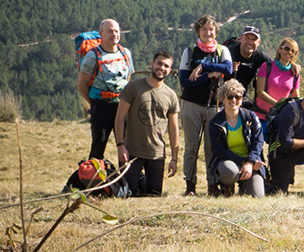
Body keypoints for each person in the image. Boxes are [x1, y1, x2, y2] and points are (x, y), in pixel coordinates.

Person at [179, 15, 233, 196]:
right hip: (191, 104)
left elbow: (228, 69)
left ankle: (212, 184)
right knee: (191, 147)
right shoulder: (189, 51)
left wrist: (202, 67)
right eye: (204, 29)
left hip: (214, 105)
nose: (208, 33)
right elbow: (185, 82)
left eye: (211, 29)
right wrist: (209, 74)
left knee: (212, 146)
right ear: (198, 32)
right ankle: (190, 185)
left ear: (216, 32)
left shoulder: (222, 50)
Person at [114, 51, 179, 196]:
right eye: (159, 64)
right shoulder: (133, 87)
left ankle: (142, 181)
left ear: (170, 70)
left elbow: (174, 128)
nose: (162, 68)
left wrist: (174, 159)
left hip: (157, 154)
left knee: (154, 195)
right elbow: (120, 117)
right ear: (152, 64)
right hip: (131, 152)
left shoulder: (171, 95)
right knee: (129, 194)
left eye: (166, 66)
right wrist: (120, 145)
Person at [77, 18, 134, 160]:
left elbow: (128, 76)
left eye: (116, 31)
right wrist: (94, 103)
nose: (114, 34)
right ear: (101, 34)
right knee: (98, 146)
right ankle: (93, 172)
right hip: (101, 106)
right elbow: (82, 84)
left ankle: (126, 173)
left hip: (123, 105)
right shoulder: (92, 56)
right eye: (110, 31)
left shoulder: (126, 53)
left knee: (127, 146)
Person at [208, 79, 265, 197]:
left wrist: (250, 161)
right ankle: (228, 185)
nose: (234, 100)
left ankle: (244, 184)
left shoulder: (251, 117)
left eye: (237, 97)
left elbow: (258, 142)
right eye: (230, 97)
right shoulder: (215, 122)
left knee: (258, 196)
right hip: (229, 161)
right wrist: (244, 162)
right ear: (223, 99)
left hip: (250, 162)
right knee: (229, 172)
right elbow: (219, 150)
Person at [254, 37, 302, 121]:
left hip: (279, 117)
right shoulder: (267, 66)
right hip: (260, 115)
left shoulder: (295, 74)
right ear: (280, 49)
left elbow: (296, 98)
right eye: (287, 48)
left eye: (293, 51)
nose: (289, 52)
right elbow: (260, 92)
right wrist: (278, 104)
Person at [228, 26, 271, 111]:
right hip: (225, 95)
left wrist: (292, 65)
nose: (250, 42)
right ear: (240, 38)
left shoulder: (259, 56)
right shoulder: (230, 52)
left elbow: (276, 66)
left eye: (254, 39)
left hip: (243, 96)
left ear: (258, 42)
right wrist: (227, 67)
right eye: (247, 38)